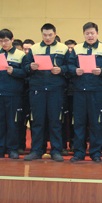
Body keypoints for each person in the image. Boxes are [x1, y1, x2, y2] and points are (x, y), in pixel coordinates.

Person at [22, 23, 69, 162]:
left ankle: (56, 150)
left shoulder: (63, 48)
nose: (47, 37)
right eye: (44, 35)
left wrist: (61, 69)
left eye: (50, 35)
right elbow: (25, 67)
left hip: (56, 89)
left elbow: (70, 66)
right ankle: (37, 150)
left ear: (55, 34)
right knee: (38, 121)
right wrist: (30, 67)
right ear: (41, 34)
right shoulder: (34, 48)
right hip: (38, 89)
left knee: (55, 121)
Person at [68, 22, 102, 163]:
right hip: (80, 90)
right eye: (87, 33)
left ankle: (95, 153)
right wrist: (75, 70)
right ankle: (79, 152)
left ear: (97, 34)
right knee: (79, 122)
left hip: (96, 91)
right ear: (84, 34)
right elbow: (69, 65)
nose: (90, 36)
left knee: (96, 123)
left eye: (92, 33)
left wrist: (101, 71)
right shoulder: (77, 48)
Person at [0, 29, 27, 159]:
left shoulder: (21, 55)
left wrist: (14, 71)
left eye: (6, 40)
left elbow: (26, 73)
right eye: (1, 41)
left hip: (13, 94)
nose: (4, 43)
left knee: (12, 122)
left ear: (12, 40)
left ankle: (12, 149)